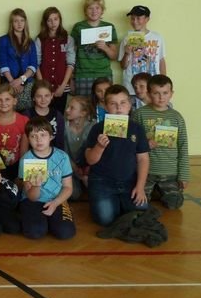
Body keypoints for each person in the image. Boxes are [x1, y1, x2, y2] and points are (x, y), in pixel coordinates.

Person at [84, 84, 149, 226]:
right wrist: (99, 147)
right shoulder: (97, 129)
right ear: (106, 107)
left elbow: (143, 159)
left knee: (141, 210)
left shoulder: (137, 129)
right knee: (105, 219)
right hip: (102, 182)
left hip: (128, 181)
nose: (119, 108)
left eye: (123, 103)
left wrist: (140, 187)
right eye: (113, 104)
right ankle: (111, 204)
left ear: (130, 105)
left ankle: (120, 204)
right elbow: (90, 160)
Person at [132, 75, 189, 209]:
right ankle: (155, 191)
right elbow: (131, 140)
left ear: (171, 94)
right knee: (138, 204)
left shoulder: (177, 117)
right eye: (156, 93)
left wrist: (184, 175)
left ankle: (159, 191)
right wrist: (144, 144)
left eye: (165, 93)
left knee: (174, 203)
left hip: (169, 172)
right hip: (146, 173)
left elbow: (183, 145)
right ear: (149, 94)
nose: (161, 97)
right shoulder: (139, 114)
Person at [19, 117, 76, 240]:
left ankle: (52, 219)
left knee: (66, 232)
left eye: (43, 135)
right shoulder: (26, 160)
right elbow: (32, 197)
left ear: (51, 137)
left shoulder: (62, 157)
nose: (38, 139)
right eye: (33, 136)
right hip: (32, 201)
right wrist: (36, 186)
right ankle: (40, 220)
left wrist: (55, 203)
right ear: (28, 139)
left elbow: (68, 187)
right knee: (35, 232)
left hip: (56, 199)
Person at [71, 0, 118, 96]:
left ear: (102, 10)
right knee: (83, 104)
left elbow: (114, 56)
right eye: (90, 8)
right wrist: (71, 78)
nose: (94, 11)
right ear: (85, 10)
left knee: (105, 103)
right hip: (82, 74)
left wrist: (105, 48)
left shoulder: (109, 27)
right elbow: (71, 54)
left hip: (104, 74)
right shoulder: (78, 27)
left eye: (97, 8)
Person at [119, 5, 167, 97]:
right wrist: (127, 53)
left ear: (147, 19)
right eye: (132, 18)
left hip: (153, 88)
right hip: (132, 88)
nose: (135, 21)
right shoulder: (126, 39)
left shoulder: (157, 37)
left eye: (138, 18)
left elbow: (161, 60)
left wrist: (163, 82)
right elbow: (123, 66)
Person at [34, 7, 75, 113]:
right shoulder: (40, 39)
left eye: (55, 19)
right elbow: (36, 63)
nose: (53, 23)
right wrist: (42, 86)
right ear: (45, 22)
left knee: (58, 114)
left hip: (62, 86)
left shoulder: (68, 39)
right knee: (42, 113)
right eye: (49, 20)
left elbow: (70, 63)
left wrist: (63, 86)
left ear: (60, 20)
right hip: (44, 88)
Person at [0, 8, 37, 111]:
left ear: (25, 22)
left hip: (27, 82)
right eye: (16, 21)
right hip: (9, 82)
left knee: (27, 112)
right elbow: (3, 64)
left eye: (22, 20)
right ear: (11, 23)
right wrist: (13, 82)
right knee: (9, 110)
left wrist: (21, 80)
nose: (19, 24)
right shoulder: (3, 40)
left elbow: (33, 65)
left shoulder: (30, 42)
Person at [0, 83, 29, 180]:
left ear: (15, 101)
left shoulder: (24, 120)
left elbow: (24, 151)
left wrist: (21, 174)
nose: (3, 103)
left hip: (15, 166)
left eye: (7, 99)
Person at [64, 96, 95, 200]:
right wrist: (75, 168)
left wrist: (87, 169)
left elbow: (95, 150)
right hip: (70, 166)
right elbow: (63, 152)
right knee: (73, 195)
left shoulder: (93, 126)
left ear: (83, 113)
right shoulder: (64, 127)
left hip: (89, 167)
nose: (67, 110)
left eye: (72, 108)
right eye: (68, 107)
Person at [23, 79, 65, 151]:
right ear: (33, 98)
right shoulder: (27, 115)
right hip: (32, 155)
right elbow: (24, 142)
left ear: (52, 96)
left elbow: (60, 142)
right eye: (39, 96)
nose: (43, 99)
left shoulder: (58, 116)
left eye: (47, 96)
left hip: (53, 154)